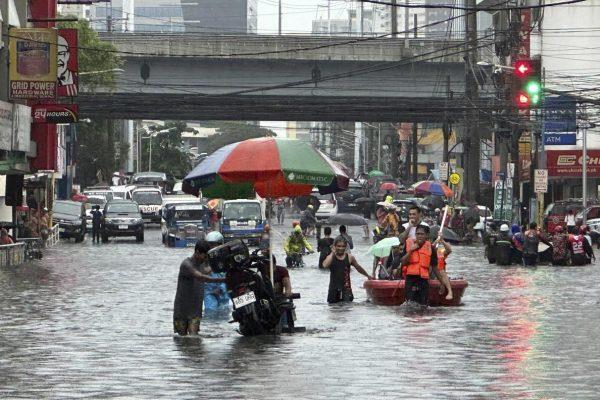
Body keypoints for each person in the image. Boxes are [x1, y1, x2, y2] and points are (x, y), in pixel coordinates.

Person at [173, 240, 226, 336]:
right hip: (182, 310)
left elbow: (208, 271)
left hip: (195, 310)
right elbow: (201, 277)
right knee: (182, 340)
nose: (205, 259)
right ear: (197, 252)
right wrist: (223, 280)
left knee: (194, 337)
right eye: (204, 256)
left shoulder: (201, 264)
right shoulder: (186, 264)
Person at [399, 224, 442, 306]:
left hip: (423, 279)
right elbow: (403, 262)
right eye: (417, 234)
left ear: (427, 235)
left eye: (422, 234)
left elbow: (435, 268)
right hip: (411, 278)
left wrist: (442, 283)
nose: (419, 236)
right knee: (409, 304)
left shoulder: (431, 248)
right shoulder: (409, 244)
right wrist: (411, 251)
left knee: (423, 304)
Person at [323, 237, 373, 303]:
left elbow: (358, 267)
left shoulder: (350, 257)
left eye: (343, 246)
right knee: (334, 309)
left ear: (346, 247)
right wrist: (332, 253)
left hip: (346, 289)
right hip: (333, 289)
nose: (341, 248)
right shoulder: (331, 257)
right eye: (339, 246)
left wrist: (367, 275)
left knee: (347, 309)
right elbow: (325, 265)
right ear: (334, 246)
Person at [204, 231, 230, 312]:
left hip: (223, 292)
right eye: (209, 244)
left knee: (224, 310)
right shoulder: (204, 258)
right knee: (210, 311)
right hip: (209, 292)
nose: (211, 247)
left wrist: (221, 288)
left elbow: (229, 275)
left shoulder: (226, 257)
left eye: (213, 244)